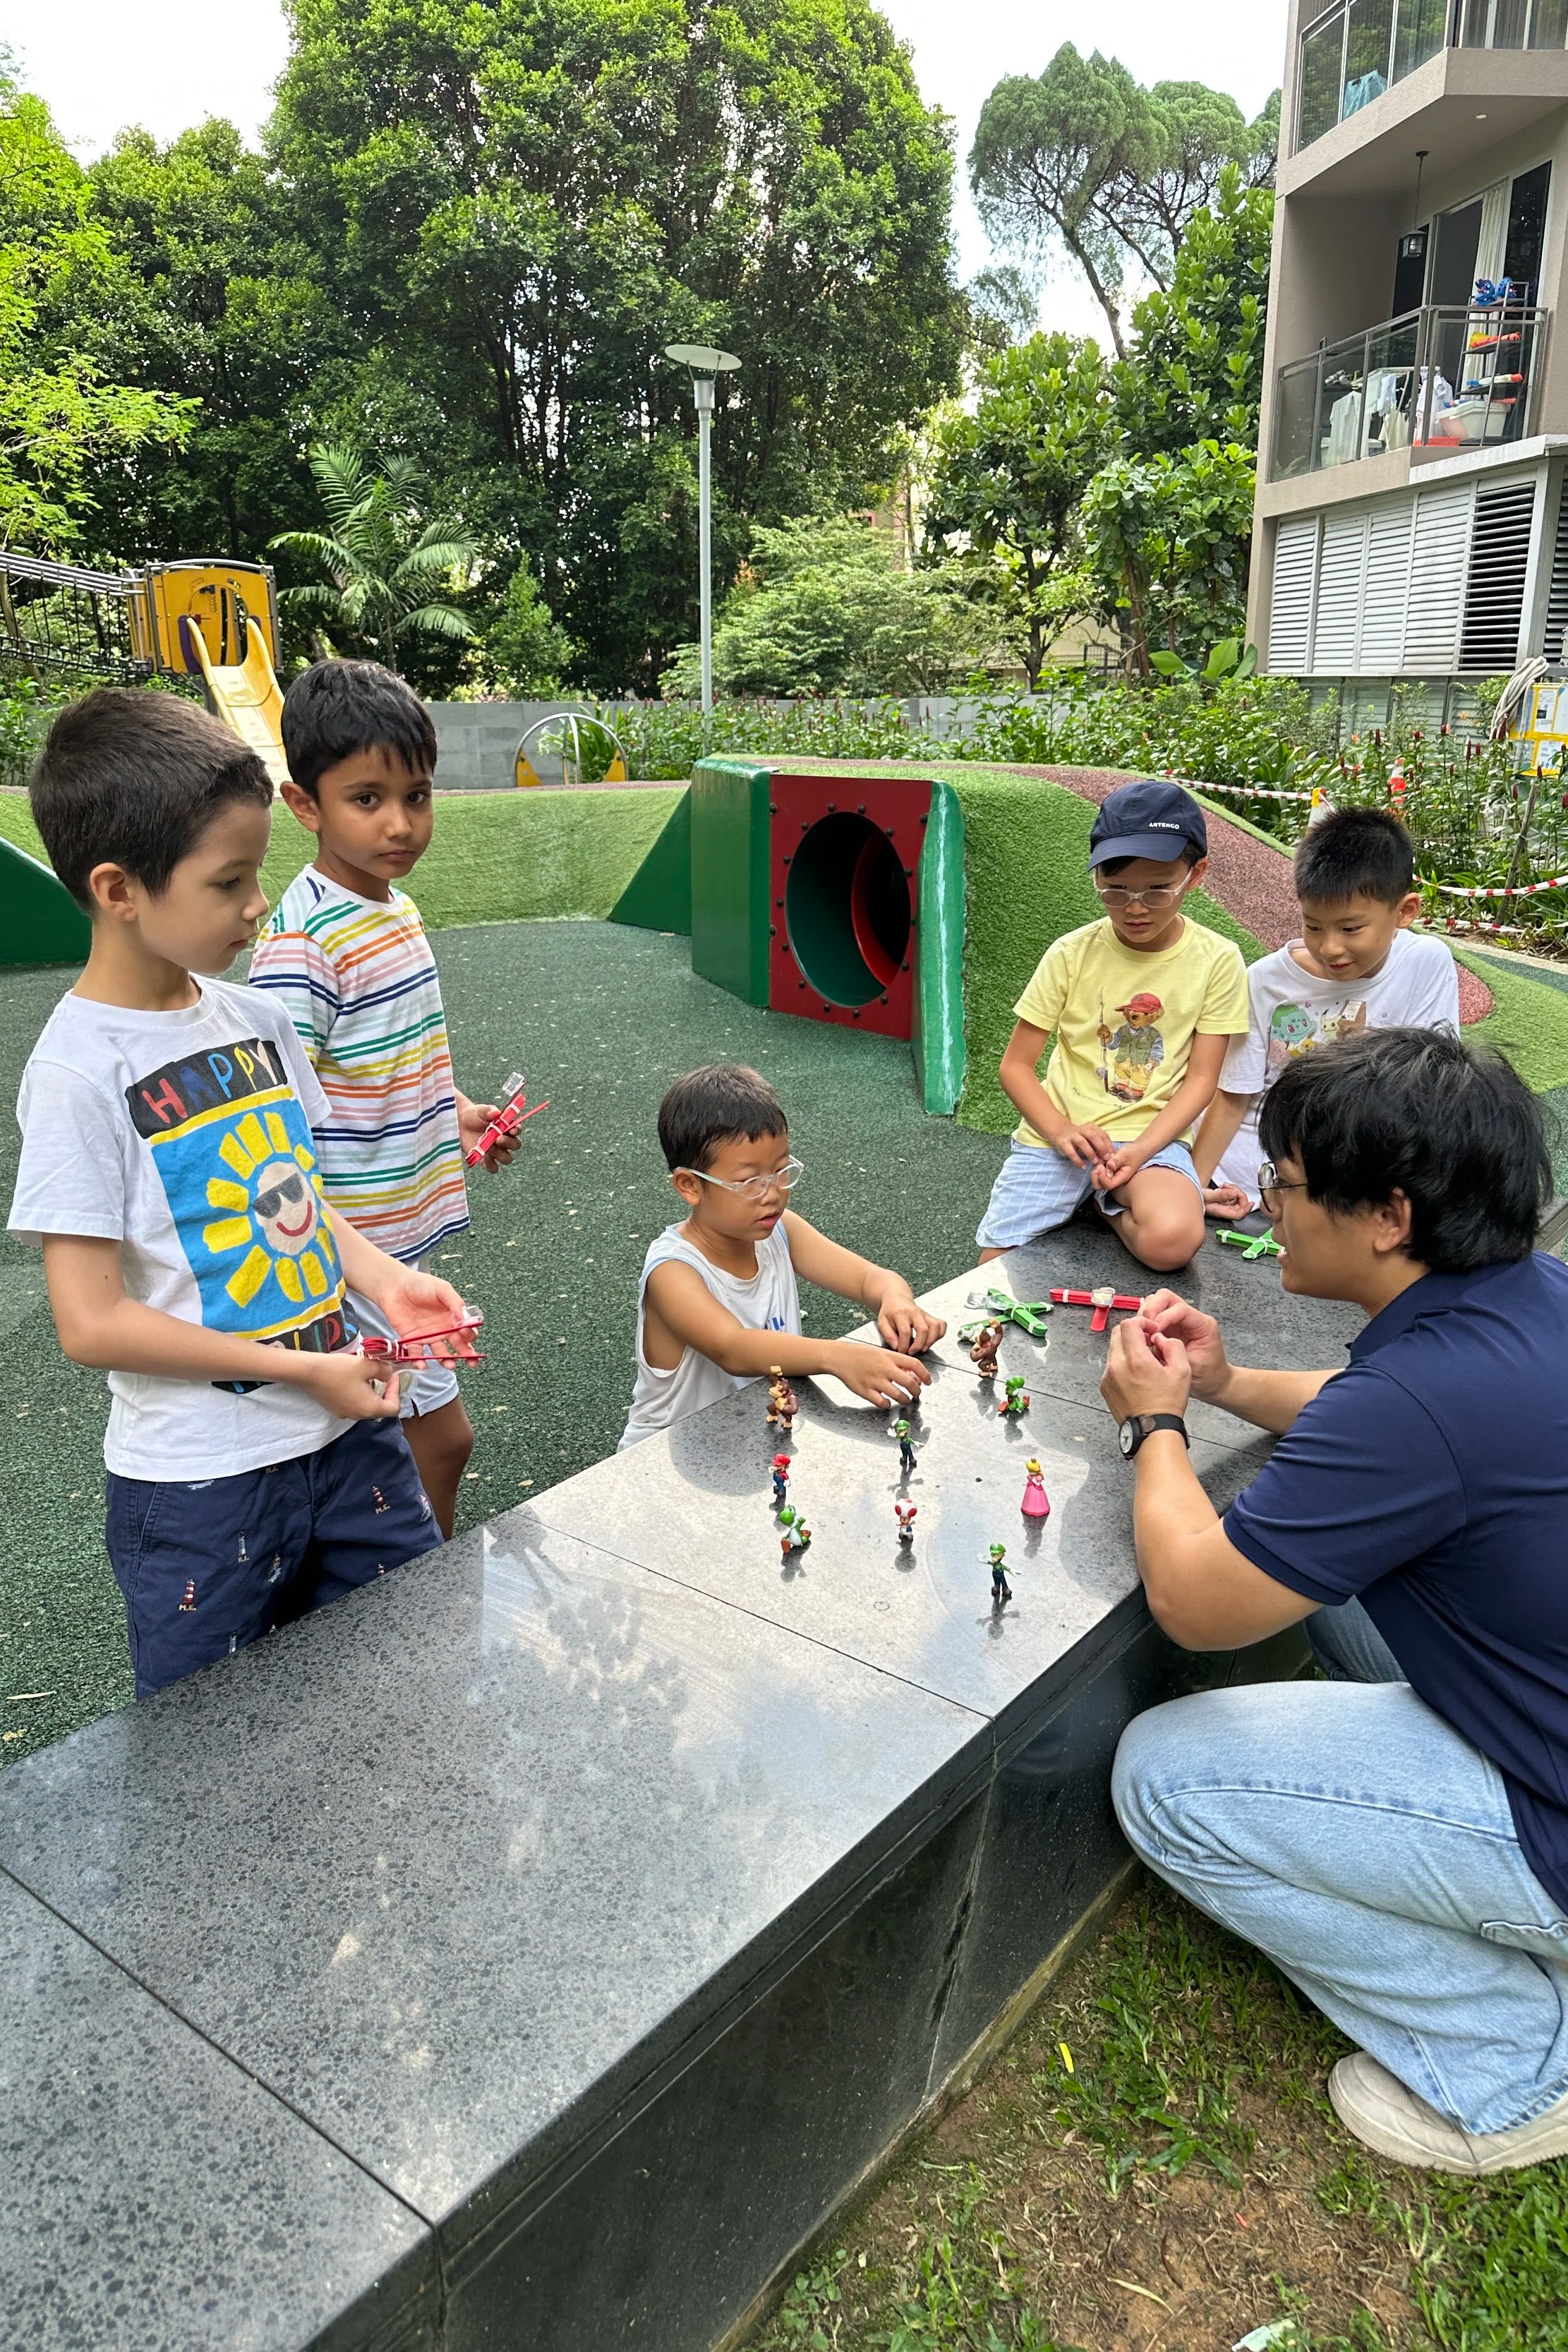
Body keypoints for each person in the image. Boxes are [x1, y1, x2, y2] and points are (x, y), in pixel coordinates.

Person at [1100, 1027, 1568, 2175]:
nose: (1267, 1202)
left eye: (1286, 1182)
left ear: (1388, 1215)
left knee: (1164, 1776)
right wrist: (1222, 1381)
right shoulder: (1530, 1292)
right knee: (1345, 1608)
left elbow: (1199, 1603)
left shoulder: (1418, 1402)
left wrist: (1157, 1421)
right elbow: (1377, 1412)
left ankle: (1509, 2064)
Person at [8, 689, 474, 1696]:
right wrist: (297, 1372)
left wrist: (387, 1281)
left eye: (256, 872)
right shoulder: (79, 1074)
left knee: (407, 1684)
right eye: (228, 881)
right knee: (211, 1764)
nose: (258, 903)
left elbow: (300, 1196)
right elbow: (90, 1323)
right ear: (119, 888)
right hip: (201, 1489)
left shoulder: (255, 1017)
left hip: (352, 1442)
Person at [248, 660, 519, 1536]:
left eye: (417, 795)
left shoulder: (391, 907)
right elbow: (268, 1123)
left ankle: (401, 1583)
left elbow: (390, 1059)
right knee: (434, 1442)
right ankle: (412, 1592)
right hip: (351, 1249)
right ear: (304, 805)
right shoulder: (304, 945)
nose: (400, 823)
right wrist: (330, 1252)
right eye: (366, 798)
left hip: (399, 1239)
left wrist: (457, 1109)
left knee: (412, 1444)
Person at [977, 780, 1249, 1274]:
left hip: (1150, 1136)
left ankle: (1104, 1206)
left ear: (1197, 875)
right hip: (1058, 1137)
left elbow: (1202, 1080)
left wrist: (1144, 1150)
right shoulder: (1070, 953)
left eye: (1158, 888)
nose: (1136, 907)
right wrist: (1061, 1132)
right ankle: (1099, 1198)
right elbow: (1015, 1067)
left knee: (1173, 1241)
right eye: (1115, 889)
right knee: (995, 1265)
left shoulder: (1218, 960)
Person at [620, 1064, 946, 1447]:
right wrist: (838, 1357)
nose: (772, 1192)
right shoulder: (673, 1272)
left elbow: (868, 1279)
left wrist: (897, 1300)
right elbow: (733, 1347)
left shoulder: (780, 1230)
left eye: (780, 1170)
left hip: (763, 1435)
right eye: (749, 1181)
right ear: (690, 1186)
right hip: (664, 1460)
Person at [1194, 806, 1459, 1217]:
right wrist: (1191, 1187)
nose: (1330, 947)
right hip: (1259, 1161)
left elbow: (1433, 1085)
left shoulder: (1427, 962)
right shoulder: (1265, 981)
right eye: (1313, 926)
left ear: (1405, 912)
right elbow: (1233, 1099)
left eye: (1351, 929)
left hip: (1363, 1149)